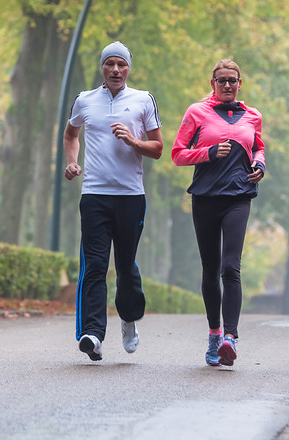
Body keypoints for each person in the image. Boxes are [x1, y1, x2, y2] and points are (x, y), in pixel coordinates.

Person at [63, 41, 163, 362]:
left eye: (121, 64)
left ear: (129, 68)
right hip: (93, 195)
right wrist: (72, 162)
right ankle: (93, 333)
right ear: (102, 67)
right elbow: (70, 134)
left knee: (125, 266)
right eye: (110, 64)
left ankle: (129, 319)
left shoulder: (143, 100)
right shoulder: (84, 101)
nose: (116, 70)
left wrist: (133, 140)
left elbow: (158, 148)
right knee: (94, 265)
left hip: (130, 197)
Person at [172, 59, 266, 367]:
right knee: (211, 271)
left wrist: (260, 167)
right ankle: (214, 333)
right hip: (205, 197)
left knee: (231, 268)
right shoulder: (197, 112)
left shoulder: (253, 116)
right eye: (221, 80)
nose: (227, 85)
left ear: (241, 84)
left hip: (239, 196)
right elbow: (178, 154)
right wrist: (209, 153)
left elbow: (258, 148)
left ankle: (231, 337)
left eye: (233, 80)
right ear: (213, 84)